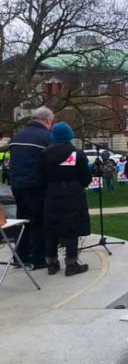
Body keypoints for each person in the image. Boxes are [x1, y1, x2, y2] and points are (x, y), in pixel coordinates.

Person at [36, 122, 91, 276]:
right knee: (72, 228)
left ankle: (51, 263)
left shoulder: (44, 154)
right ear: (69, 136)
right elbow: (86, 178)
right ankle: (72, 264)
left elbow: (39, 179)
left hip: (52, 194)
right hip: (73, 195)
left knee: (51, 228)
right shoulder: (76, 154)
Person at [8, 106, 53, 269]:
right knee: (39, 222)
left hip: (17, 185)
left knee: (23, 221)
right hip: (36, 186)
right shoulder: (47, 137)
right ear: (48, 121)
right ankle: (38, 258)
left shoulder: (17, 136)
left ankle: (19, 256)